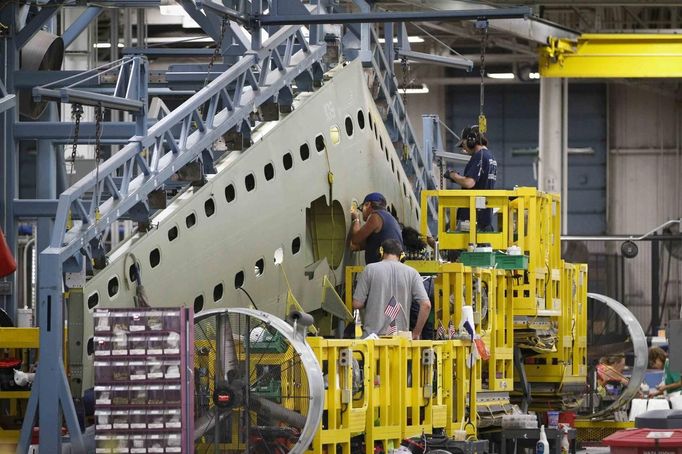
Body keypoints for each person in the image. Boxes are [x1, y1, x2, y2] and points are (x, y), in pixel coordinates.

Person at [352, 239, 431, 339]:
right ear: (401, 255)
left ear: (381, 252)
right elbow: (426, 305)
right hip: (400, 342)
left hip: (372, 340)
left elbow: (357, 304)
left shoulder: (369, 270)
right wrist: (416, 333)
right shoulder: (412, 273)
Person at [444, 125, 497, 231]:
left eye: (463, 144)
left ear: (471, 140)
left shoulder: (479, 156)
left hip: (472, 216)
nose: (464, 149)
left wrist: (453, 175)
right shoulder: (490, 157)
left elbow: (469, 183)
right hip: (484, 216)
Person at [349, 192, 403, 264]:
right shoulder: (389, 219)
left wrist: (356, 219)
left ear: (367, 205)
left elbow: (355, 239)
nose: (362, 212)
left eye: (362, 209)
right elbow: (360, 245)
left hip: (384, 268)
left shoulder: (376, 216)